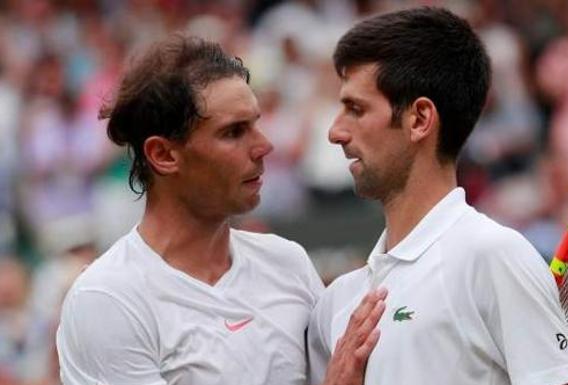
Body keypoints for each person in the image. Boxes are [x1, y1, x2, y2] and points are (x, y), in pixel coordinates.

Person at [55, 35, 385, 385]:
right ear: (164, 155)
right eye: (233, 132)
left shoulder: (288, 263)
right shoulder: (107, 298)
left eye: (255, 123)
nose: (263, 145)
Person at [307, 7, 568, 385]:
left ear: (420, 119)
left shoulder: (492, 256)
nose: (335, 132)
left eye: (356, 109)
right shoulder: (337, 303)